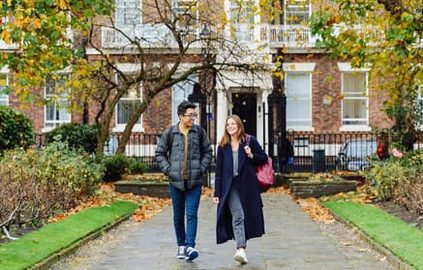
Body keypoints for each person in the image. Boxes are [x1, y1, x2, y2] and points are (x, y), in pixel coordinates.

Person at [155, 100, 212, 262]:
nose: (193, 118)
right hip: (176, 183)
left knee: (192, 214)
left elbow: (208, 152)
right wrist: (169, 170)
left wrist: (201, 169)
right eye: (190, 115)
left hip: (194, 182)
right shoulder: (170, 133)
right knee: (178, 215)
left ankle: (190, 246)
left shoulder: (199, 132)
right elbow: (160, 153)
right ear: (180, 116)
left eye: (195, 115)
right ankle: (181, 245)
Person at [213, 114, 267, 265]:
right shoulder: (223, 146)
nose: (230, 126)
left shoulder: (250, 141)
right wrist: (217, 192)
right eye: (228, 124)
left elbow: (263, 158)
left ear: (238, 126)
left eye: (233, 124)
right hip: (230, 187)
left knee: (248, 216)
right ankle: (240, 248)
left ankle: (242, 246)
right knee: (238, 215)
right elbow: (219, 172)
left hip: (248, 186)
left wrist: (251, 154)